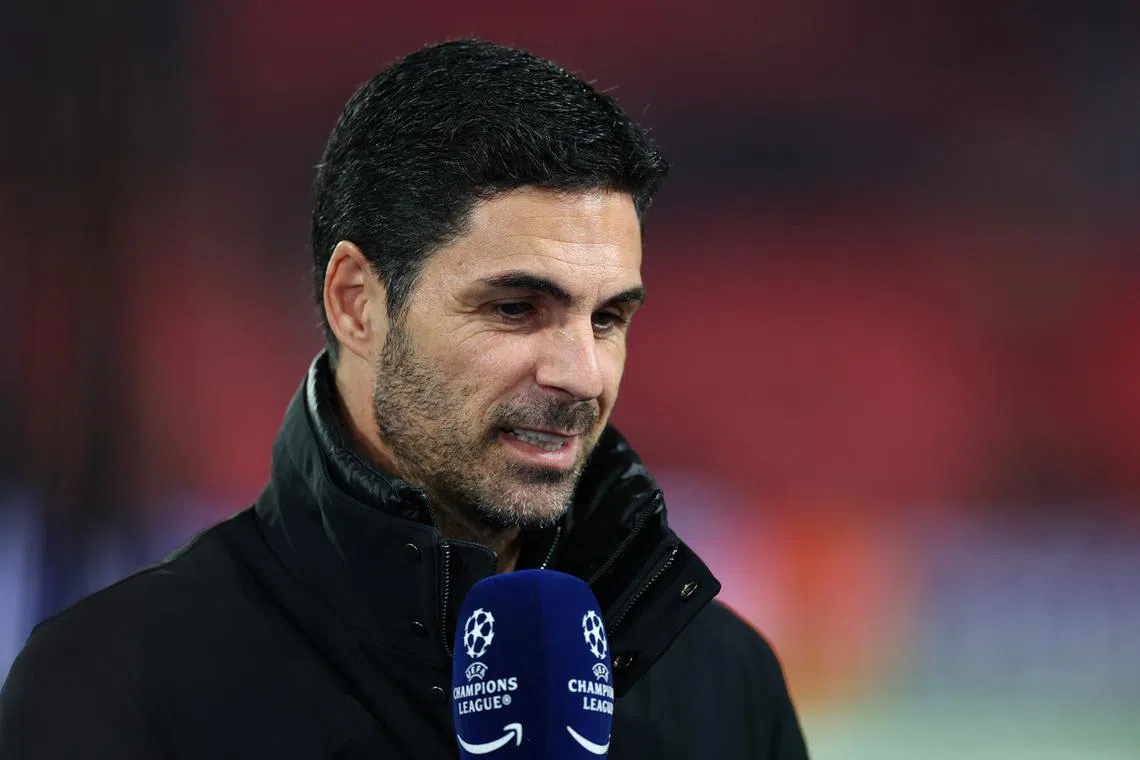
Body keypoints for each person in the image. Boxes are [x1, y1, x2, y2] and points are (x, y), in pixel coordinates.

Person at [0, 40, 808, 759]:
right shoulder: (116, 685)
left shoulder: (725, 685)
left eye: (607, 318)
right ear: (357, 303)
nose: (581, 374)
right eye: (515, 309)